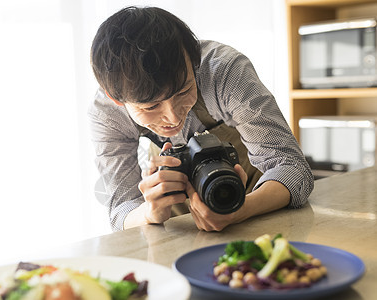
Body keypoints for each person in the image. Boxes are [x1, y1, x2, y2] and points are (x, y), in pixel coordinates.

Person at [88, 6, 314, 232]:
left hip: (260, 208)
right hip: (179, 229)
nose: (173, 117)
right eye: (151, 106)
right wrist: (148, 212)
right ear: (116, 99)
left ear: (193, 60)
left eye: (183, 91)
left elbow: (292, 168)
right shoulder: (107, 115)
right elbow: (120, 210)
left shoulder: (225, 71)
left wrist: (242, 209)